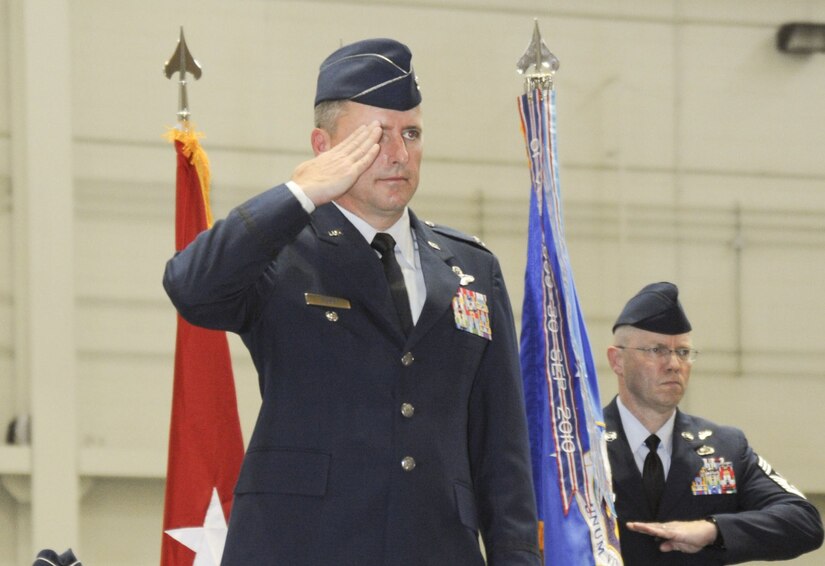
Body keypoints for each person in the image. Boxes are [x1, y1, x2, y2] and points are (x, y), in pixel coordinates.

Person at [163, 38, 541, 565]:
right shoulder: (282, 250)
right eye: (375, 136)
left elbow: (502, 454)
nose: (399, 154)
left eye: (411, 134)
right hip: (303, 547)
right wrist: (298, 195)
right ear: (323, 146)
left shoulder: (471, 270)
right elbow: (192, 288)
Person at [603, 281, 823, 564]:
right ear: (617, 360)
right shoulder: (578, 446)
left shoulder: (725, 447)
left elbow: (803, 520)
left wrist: (713, 530)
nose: (673, 364)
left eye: (683, 352)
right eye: (656, 350)